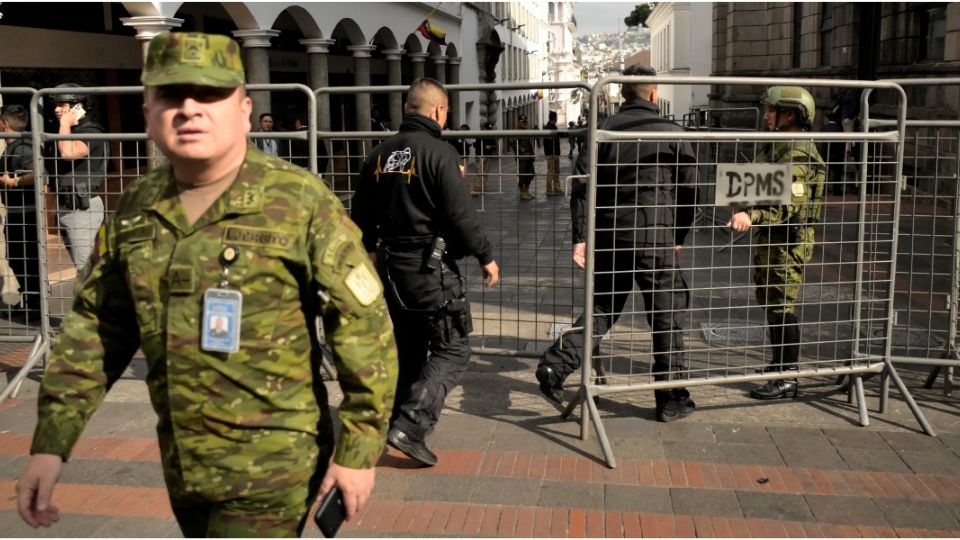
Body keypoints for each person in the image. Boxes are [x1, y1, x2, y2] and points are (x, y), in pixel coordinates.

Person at [16, 32, 399, 537]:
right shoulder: (136, 210)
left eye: (210, 94)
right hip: (183, 463)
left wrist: (358, 451)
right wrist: (50, 443)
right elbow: (97, 330)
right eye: (172, 95)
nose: (190, 108)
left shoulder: (298, 201)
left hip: (272, 467)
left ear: (243, 109)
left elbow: (363, 328)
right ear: (149, 110)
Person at [534, 64, 699, 423]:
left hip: (609, 237)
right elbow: (690, 192)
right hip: (656, 237)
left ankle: (554, 365)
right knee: (666, 316)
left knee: (602, 309)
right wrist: (678, 236)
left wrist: (581, 237)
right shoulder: (673, 131)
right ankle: (671, 396)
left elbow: (580, 186)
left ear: (622, 95)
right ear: (653, 94)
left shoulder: (601, 131)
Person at [352, 78, 500, 467]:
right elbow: (460, 214)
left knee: (411, 346)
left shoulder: (379, 154)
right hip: (428, 267)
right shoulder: (440, 153)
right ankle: (412, 425)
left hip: (389, 267)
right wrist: (485, 255)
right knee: (453, 347)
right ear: (437, 112)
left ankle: (393, 420)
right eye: (446, 112)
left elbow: (360, 212)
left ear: (407, 108)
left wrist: (368, 250)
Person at [727, 86, 826, 400]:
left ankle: (788, 376)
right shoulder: (777, 145)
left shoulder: (798, 152)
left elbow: (787, 206)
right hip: (771, 241)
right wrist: (739, 199)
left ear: (790, 114)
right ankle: (779, 364)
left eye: (772, 110)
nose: (766, 115)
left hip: (787, 244)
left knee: (783, 306)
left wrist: (751, 216)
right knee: (771, 303)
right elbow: (758, 181)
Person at [47, 83, 109, 273]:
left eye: (62, 104)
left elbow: (68, 152)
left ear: (78, 106)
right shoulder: (67, 133)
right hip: (67, 206)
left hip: (83, 208)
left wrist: (64, 124)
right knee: (83, 266)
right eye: (55, 105)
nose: (57, 109)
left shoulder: (91, 132)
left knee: (87, 269)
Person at [0, 104, 36, 314]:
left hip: (25, 214)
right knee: (19, 259)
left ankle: (34, 307)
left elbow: (39, 174)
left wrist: (12, 182)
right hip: (19, 213)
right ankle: (30, 304)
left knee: (25, 260)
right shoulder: (16, 145)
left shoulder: (22, 148)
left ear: (5, 123)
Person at [513, 114, 536, 201]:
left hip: (529, 156)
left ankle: (526, 190)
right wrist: (520, 149)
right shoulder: (516, 131)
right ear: (518, 122)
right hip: (522, 157)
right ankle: (522, 193)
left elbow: (529, 144)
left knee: (531, 174)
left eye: (525, 122)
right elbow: (512, 141)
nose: (524, 123)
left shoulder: (526, 131)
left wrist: (532, 154)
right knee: (522, 176)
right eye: (522, 122)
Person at [474, 121, 498, 196]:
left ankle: (483, 187)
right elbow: (475, 145)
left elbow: (495, 146)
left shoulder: (490, 135)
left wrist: (491, 147)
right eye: (487, 129)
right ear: (483, 128)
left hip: (488, 156)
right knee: (479, 172)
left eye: (489, 129)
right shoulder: (479, 135)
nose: (488, 130)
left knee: (485, 172)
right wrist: (483, 147)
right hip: (480, 155)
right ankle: (477, 187)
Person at [542, 111, 563, 196]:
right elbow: (549, 142)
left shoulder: (551, 127)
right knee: (551, 171)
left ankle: (557, 188)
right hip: (552, 154)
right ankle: (549, 189)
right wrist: (554, 153)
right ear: (555, 118)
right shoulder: (549, 128)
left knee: (556, 171)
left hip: (554, 153)